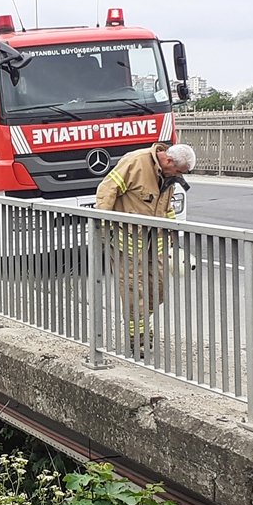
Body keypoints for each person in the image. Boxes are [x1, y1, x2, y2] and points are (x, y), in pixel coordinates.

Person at [93, 142, 196, 356]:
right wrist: (103, 226)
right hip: (128, 238)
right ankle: (138, 339)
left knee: (158, 289)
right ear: (168, 160)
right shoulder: (135, 162)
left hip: (156, 239)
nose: (179, 176)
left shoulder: (168, 176)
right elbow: (106, 191)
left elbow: (166, 208)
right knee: (133, 291)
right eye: (179, 171)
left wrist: (173, 234)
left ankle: (142, 324)